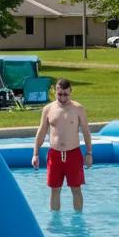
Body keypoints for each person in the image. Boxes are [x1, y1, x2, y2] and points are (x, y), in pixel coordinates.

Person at [31, 78, 93, 211]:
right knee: (54, 190)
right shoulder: (48, 109)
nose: (63, 97)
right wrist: (35, 154)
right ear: (55, 91)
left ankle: (78, 220)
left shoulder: (78, 109)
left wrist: (89, 153)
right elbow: (41, 132)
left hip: (73, 154)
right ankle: (55, 221)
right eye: (60, 94)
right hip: (54, 155)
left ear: (71, 92)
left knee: (76, 189)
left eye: (66, 94)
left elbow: (86, 132)